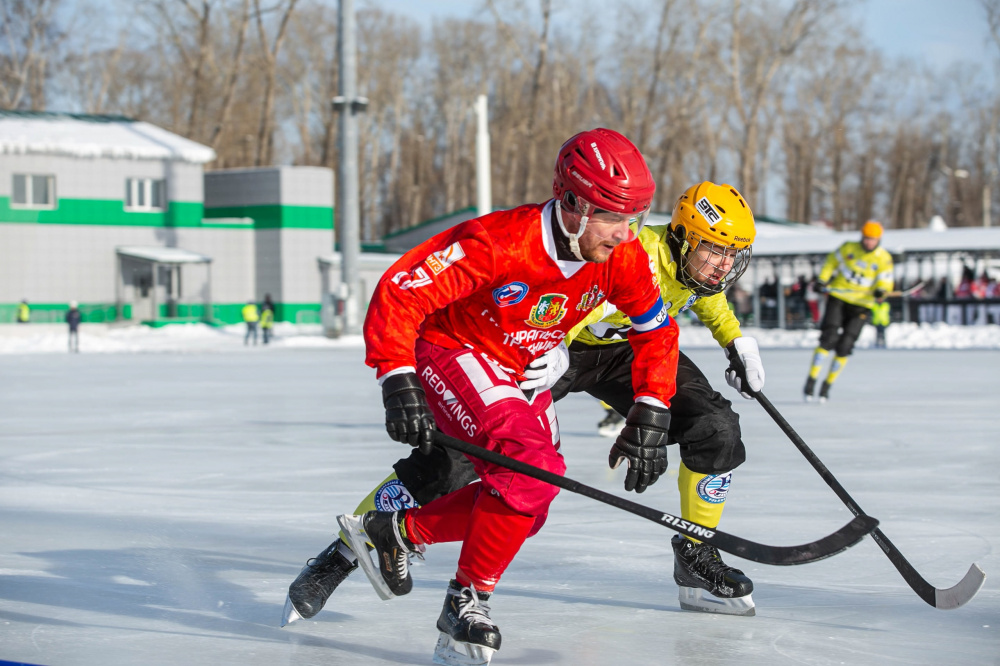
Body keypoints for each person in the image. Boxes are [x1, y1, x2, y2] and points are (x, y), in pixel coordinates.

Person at [284, 181, 766, 633]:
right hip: (557, 347)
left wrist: (735, 343)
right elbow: (562, 298)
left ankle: (696, 553)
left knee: (716, 426)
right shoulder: (624, 248)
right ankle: (347, 550)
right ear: (681, 237)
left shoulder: (693, 270)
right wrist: (555, 346)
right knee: (458, 460)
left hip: (626, 350)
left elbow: (702, 304)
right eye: (714, 250)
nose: (722, 266)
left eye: (732, 255)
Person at [331, 128, 680, 665]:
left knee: (530, 501)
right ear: (571, 202)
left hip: (521, 367)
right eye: (611, 216)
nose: (623, 234)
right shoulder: (499, 242)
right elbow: (400, 291)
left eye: (634, 218)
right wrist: (396, 376)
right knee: (531, 470)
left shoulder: (623, 257)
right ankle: (466, 601)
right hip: (455, 348)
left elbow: (656, 331)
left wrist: (651, 407)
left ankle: (397, 531)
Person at [803, 220, 894, 402]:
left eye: (873, 239)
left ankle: (827, 385)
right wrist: (822, 280)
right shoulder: (848, 248)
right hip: (838, 297)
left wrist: (881, 290)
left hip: (862, 304)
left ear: (878, 240)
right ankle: (811, 380)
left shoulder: (884, 259)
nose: (869, 242)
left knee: (845, 345)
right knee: (828, 338)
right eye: (866, 238)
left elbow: (886, 281)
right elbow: (831, 262)